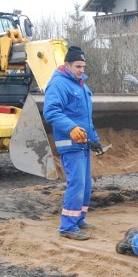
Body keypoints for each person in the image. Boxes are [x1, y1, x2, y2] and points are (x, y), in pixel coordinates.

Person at [43, 45, 103, 241]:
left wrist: (95, 140)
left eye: (83, 67)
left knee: (85, 185)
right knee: (76, 183)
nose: (81, 70)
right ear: (67, 64)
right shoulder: (58, 84)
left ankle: (78, 219)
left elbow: (87, 118)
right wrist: (71, 128)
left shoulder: (81, 85)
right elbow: (51, 112)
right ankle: (67, 226)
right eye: (78, 66)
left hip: (83, 144)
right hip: (70, 143)